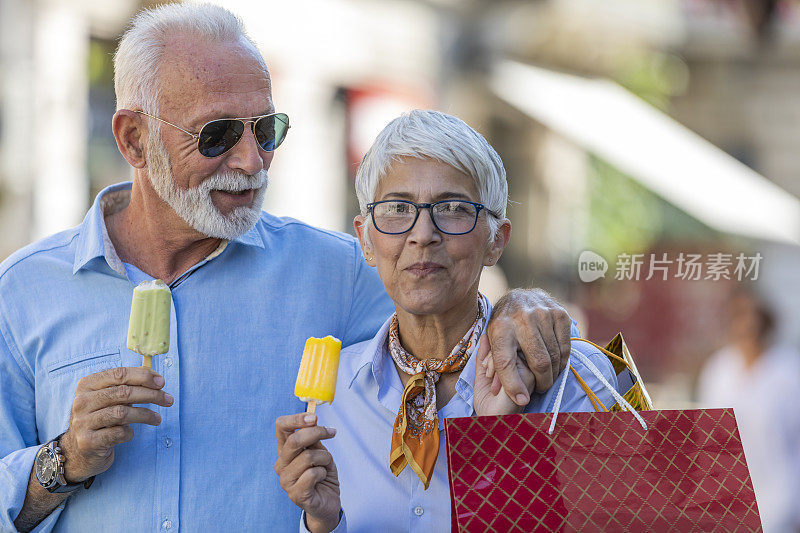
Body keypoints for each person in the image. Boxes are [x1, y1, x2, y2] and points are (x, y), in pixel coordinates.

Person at [0, 4, 574, 532]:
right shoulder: (25, 291)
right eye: (218, 135)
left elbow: (446, 308)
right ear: (133, 137)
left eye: (267, 130)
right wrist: (64, 460)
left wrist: (516, 307)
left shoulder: (341, 271)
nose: (251, 162)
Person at [274, 110, 619, 532]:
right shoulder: (333, 395)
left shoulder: (571, 381)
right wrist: (324, 522)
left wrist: (499, 441)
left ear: (496, 241)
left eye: (452, 208)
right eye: (398, 208)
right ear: (366, 240)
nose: (422, 234)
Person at [697, 289, 800, 533]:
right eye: (739, 316)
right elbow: (706, 440)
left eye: (753, 316)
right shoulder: (719, 369)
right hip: (727, 504)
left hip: (782, 503)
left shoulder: (789, 370)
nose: (747, 324)